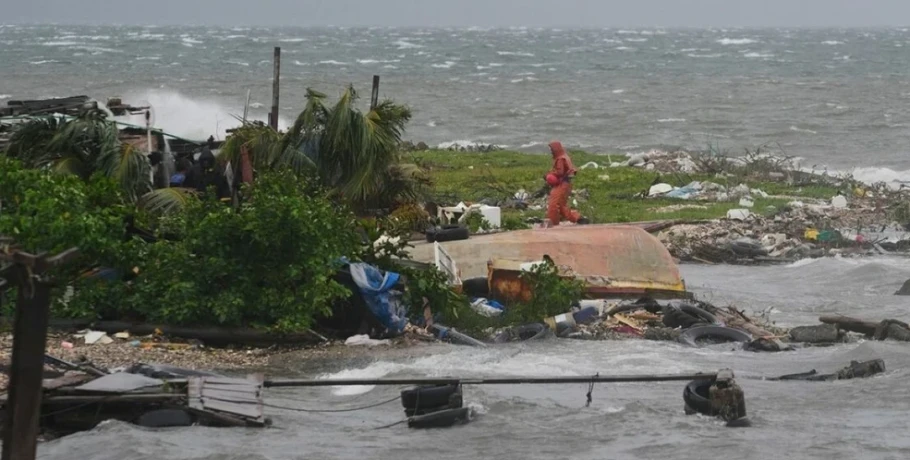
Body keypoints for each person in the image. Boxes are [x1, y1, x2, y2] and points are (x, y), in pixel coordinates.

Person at [546, 141, 588, 226]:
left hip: (561, 184)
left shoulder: (560, 159)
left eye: (552, 149)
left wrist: (549, 175)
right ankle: (578, 218)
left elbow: (560, 172)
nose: (551, 151)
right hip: (566, 184)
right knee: (561, 205)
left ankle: (553, 223)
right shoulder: (565, 156)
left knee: (553, 204)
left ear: (556, 149)